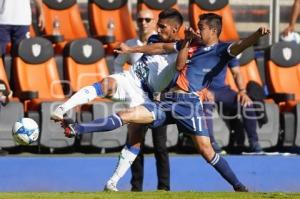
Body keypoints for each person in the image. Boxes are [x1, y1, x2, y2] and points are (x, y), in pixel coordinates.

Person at [59, 13, 270, 192]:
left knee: (207, 152)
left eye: (201, 28)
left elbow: (242, 45)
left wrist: (257, 35)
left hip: (189, 105)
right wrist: (137, 50)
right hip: (167, 101)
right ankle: (77, 128)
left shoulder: (222, 50)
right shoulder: (190, 45)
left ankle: (239, 186)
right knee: (127, 116)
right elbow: (170, 58)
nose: (197, 30)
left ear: (214, 31)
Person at [51, 8, 183, 191]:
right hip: (129, 79)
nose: (157, 30)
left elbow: (173, 62)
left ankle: (113, 182)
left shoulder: (183, 50)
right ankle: (62, 109)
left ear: (175, 29)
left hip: (147, 97)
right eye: (158, 26)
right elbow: (156, 47)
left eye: (162, 27)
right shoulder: (153, 39)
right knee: (106, 83)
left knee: (138, 140)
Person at [113, 10, 170, 191]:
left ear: (154, 22)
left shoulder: (161, 42)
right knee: (135, 145)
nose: (143, 23)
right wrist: (124, 85)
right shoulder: (130, 44)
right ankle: (136, 188)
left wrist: (164, 90)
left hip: (158, 101)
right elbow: (117, 63)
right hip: (137, 103)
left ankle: (164, 189)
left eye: (147, 19)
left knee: (160, 146)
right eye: (140, 20)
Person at [204, 56, 264, 153]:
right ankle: (211, 143)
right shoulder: (198, 49)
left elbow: (236, 73)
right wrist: (202, 90)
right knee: (205, 104)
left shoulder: (226, 49)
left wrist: (242, 91)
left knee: (247, 103)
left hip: (223, 90)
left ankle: (254, 142)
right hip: (203, 90)